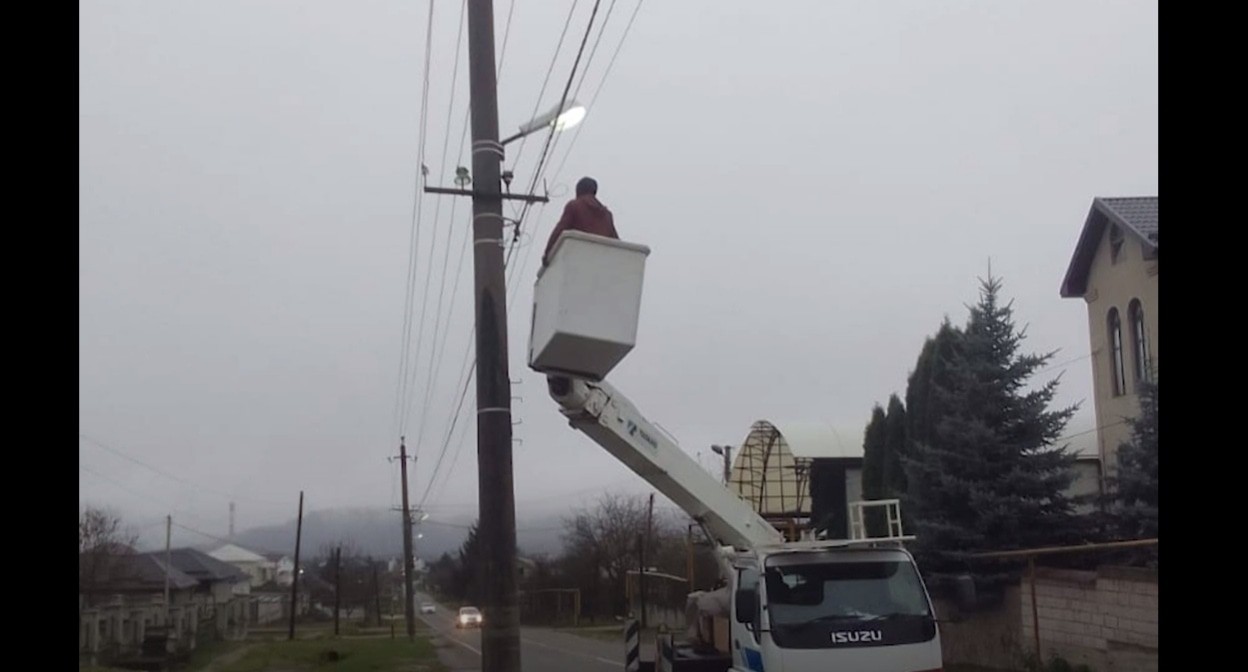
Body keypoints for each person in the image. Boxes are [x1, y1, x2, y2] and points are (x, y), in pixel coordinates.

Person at [541, 176, 618, 267]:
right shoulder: (607, 215)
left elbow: (560, 230)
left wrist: (547, 253)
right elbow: (616, 241)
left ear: (579, 191)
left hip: (578, 260)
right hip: (601, 263)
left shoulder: (574, 206)